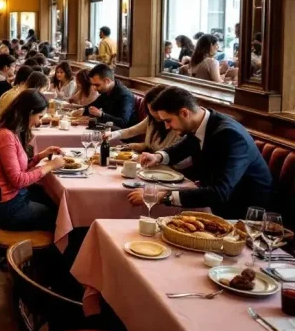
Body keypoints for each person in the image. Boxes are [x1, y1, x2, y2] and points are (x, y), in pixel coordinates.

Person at [128, 87, 272, 218]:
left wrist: (160, 197)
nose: (166, 127)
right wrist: (158, 157)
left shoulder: (230, 135)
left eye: (168, 121)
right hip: (214, 202)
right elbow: (183, 147)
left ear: (185, 113)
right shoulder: (201, 123)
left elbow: (219, 192)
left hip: (241, 212)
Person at [0, 90, 63, 231]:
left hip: (12, 198)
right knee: (59, 215)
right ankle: (46, 252)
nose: (39, 121)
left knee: (53, 200)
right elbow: (18, 180)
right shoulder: (5, 136)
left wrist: (42, 155)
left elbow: (20, 168)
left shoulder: (9, 131)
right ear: (29, 112)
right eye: (39, 116)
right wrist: (50, 166)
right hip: (8, 208)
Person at [105, 85, 182, 153]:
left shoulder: (177, 126)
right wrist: (111, 135)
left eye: (155, 109)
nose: (152, 112)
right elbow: (131, 131)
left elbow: (170, 155)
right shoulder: (151, 119)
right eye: (149, 109)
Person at [84, 64, 136, 128]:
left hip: (122, 135)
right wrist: (83, 110)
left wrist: (102, 115)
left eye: (97, 85)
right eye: (93, 85)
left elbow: (123, 122)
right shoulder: (106, 91)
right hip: (107, 129)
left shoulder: (125, 95)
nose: (94, 88)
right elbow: (93, 106)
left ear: (107, 81)